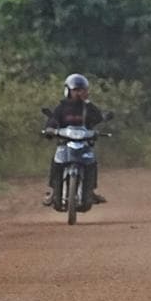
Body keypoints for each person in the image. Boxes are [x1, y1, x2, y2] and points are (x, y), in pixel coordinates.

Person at [42, 73, 107, 206]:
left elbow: (98, 118)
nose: (79, 93)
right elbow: (53, 120)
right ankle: (54, 192)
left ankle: (90, 191)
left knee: (92, 164)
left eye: (82, 90)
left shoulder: (89, 108)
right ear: (68, 91)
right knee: (56, 164)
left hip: (84, 144)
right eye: (75, 90)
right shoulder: (62, 107)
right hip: (65, 143)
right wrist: (50, 129)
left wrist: (98, 127)